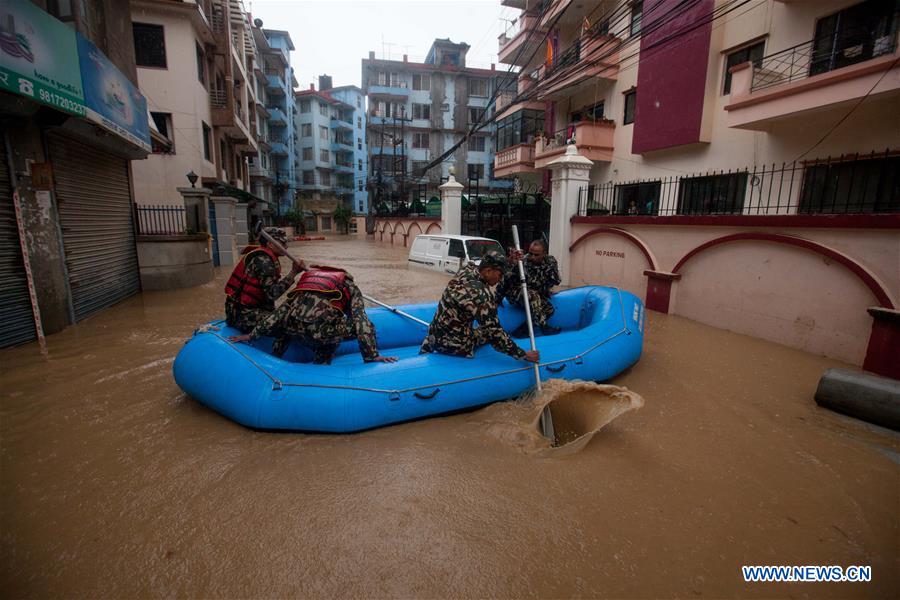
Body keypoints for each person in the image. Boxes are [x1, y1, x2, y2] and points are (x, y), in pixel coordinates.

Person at [229, 266, 397, 365]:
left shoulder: (306, 283)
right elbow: (361, 321)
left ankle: (276, 356)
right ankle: (322, 363)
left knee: (288, 323)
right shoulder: (350, 287)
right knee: (367, 324)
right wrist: (372, 355)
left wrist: (252, 335)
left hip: (292, 330)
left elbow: (279, 313)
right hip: (319, 335)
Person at [420, 252, 540, 363]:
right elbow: (495, 334)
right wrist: (522, 354)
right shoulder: (482, 296)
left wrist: (509, 260)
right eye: (500, 274)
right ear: (488, 271)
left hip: (432, 337)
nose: (501, 279)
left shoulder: (466, 269)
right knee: (485, 332)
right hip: (454, 346)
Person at [224, 227, 303, 333]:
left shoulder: (266, 257)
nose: (286, 247)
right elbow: (272, 294)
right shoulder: (263, 260)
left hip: (250, 310)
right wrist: (293, 273)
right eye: (282, 243)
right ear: (270, 244)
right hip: (243, 315)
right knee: (291, 324)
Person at [496, 239, 561, 337]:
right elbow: (506, 279)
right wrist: (498, 298)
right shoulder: (522, 262)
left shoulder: (550, 261)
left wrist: (546, 290)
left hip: (534, 295)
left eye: (536, 255)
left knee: (549, 309)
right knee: (533, 295)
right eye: (530, 253)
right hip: (516, 292)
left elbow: (555, 280)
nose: (532, 257)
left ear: (544, 253)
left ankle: (523, 330)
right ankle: (544, 328)